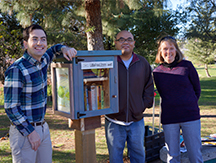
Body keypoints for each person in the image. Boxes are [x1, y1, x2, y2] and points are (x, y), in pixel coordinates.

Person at [4, 24, 77, 163]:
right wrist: (30, 132)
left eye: (43, 39)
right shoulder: (16, 69)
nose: (40, 43)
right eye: (35, 39)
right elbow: (11, 107)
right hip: (24, 133)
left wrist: (64, 48)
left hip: (43, 128)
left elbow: (54, 49)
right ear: (25, 44)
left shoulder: (43, 60)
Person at [105, 30, 154, 163]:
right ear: (115, 43)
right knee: (115, 158)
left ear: (133, 43)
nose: (125, 42)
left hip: (136, 121)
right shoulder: (108, 62)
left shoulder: (142, 63)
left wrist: (141, 106)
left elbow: (149, 87)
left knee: (139, 157)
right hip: (114, 121)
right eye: (121, 39)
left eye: (129, 39)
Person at [153, 36, 203, 163]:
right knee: (172, 156)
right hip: (170, 119)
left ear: (176, 50)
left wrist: (188, 103)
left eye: (171, 48)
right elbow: (163, 93)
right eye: (165, 49)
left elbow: (197, 90)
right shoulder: (157, 72)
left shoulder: (187, 66)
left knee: (195, 155)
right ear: (160, 51)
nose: (168, 52)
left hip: (190, 116)